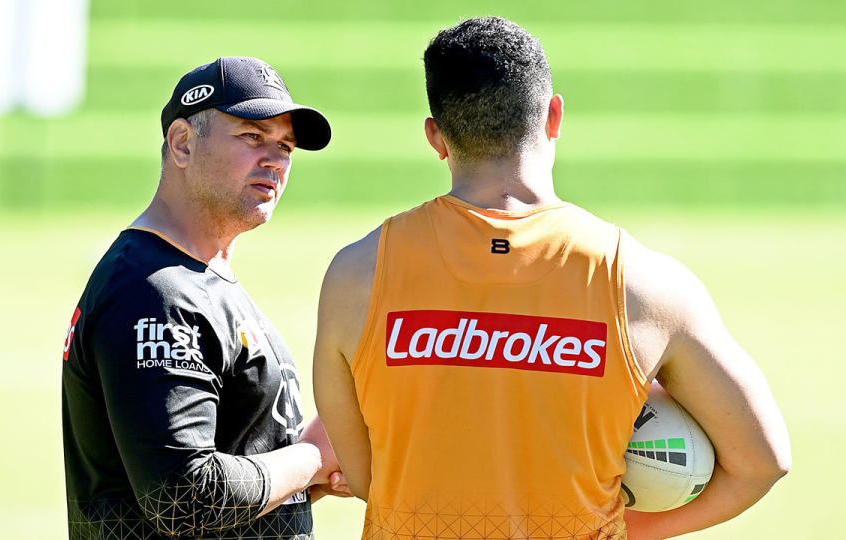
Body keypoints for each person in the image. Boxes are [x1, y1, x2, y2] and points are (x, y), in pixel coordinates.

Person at [313, 17, 790, 540]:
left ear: (435, 136)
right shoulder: (646, 285)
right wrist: (625, 530)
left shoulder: (357, 273)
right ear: (554, 115)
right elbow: (763, 461)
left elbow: (366, 479)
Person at [62, 56, 348, 540]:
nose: (275, 159)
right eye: (252, 137)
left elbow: (230, 466)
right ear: (182, 144)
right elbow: (182, 500)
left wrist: (306, 479)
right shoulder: (154, 291)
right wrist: (315, 455)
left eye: (285, 146)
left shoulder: (199, 278)